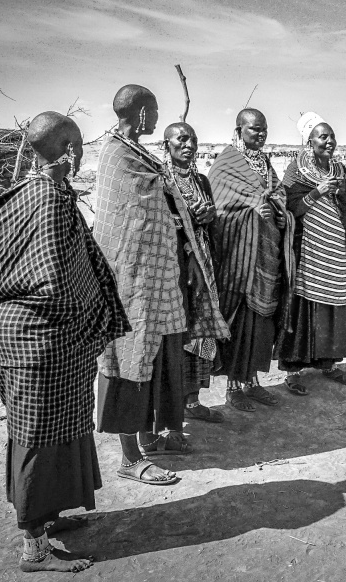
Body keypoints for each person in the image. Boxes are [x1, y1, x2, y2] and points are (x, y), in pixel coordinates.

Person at [0, 112, 129, 573]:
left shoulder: (20, 194)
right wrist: (90, 316)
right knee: (37, 436)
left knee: (49, 432)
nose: (80, 153)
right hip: (46, 338)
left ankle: (46, 518)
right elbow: (57, 278)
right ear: (69, 147)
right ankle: (33, 547)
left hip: (27, 336)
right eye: (77, 143)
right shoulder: (47, 199)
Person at [94, 85, 228, 486]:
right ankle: (129, 457)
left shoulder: (136, 152)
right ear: (139, 114)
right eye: (152, 112)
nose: (154, 119)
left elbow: (156, 212)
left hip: (158, 281)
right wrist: (171, 223)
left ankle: (150, 437)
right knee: (127, 360)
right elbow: (125, 219)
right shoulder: (118, 155)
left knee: (156, 360)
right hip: (132, 281)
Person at [209, 108, 291, 410]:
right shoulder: (226, 163)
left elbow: (278, 194)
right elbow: (219, 207)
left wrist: (280, 213)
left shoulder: (265, 163)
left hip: (265, 255)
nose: (261, 134)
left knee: (260, 322)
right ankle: (232, 387)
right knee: (239, 319)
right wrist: (252, 211)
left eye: (264, 129)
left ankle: (252, 382)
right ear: (239, 129)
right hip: (237, 257)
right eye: (255, 129)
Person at [276, 112, 346, 392]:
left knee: (333, 303)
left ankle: (329, 364)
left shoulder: (339, 170)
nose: (330, 141)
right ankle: (293, 370)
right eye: (323, 136)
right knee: (304, 306)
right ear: (309, 141)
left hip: (334, 247)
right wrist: (318, 192)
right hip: (308, 248)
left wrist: (338, 200)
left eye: (332, 136)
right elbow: (288, 206)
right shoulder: (296, 170)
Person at [161, 122, 226, 423]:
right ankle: (173, 403)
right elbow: (164, 224)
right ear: (167, 145)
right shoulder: (161, 182)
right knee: (180, 329)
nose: (188, 145)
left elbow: (211, 219)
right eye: (181, 139)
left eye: (193, 140)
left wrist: (210, 215)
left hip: (204, 264)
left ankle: (193, 400)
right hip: (175, 266)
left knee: (201, 329)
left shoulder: (201, 180)